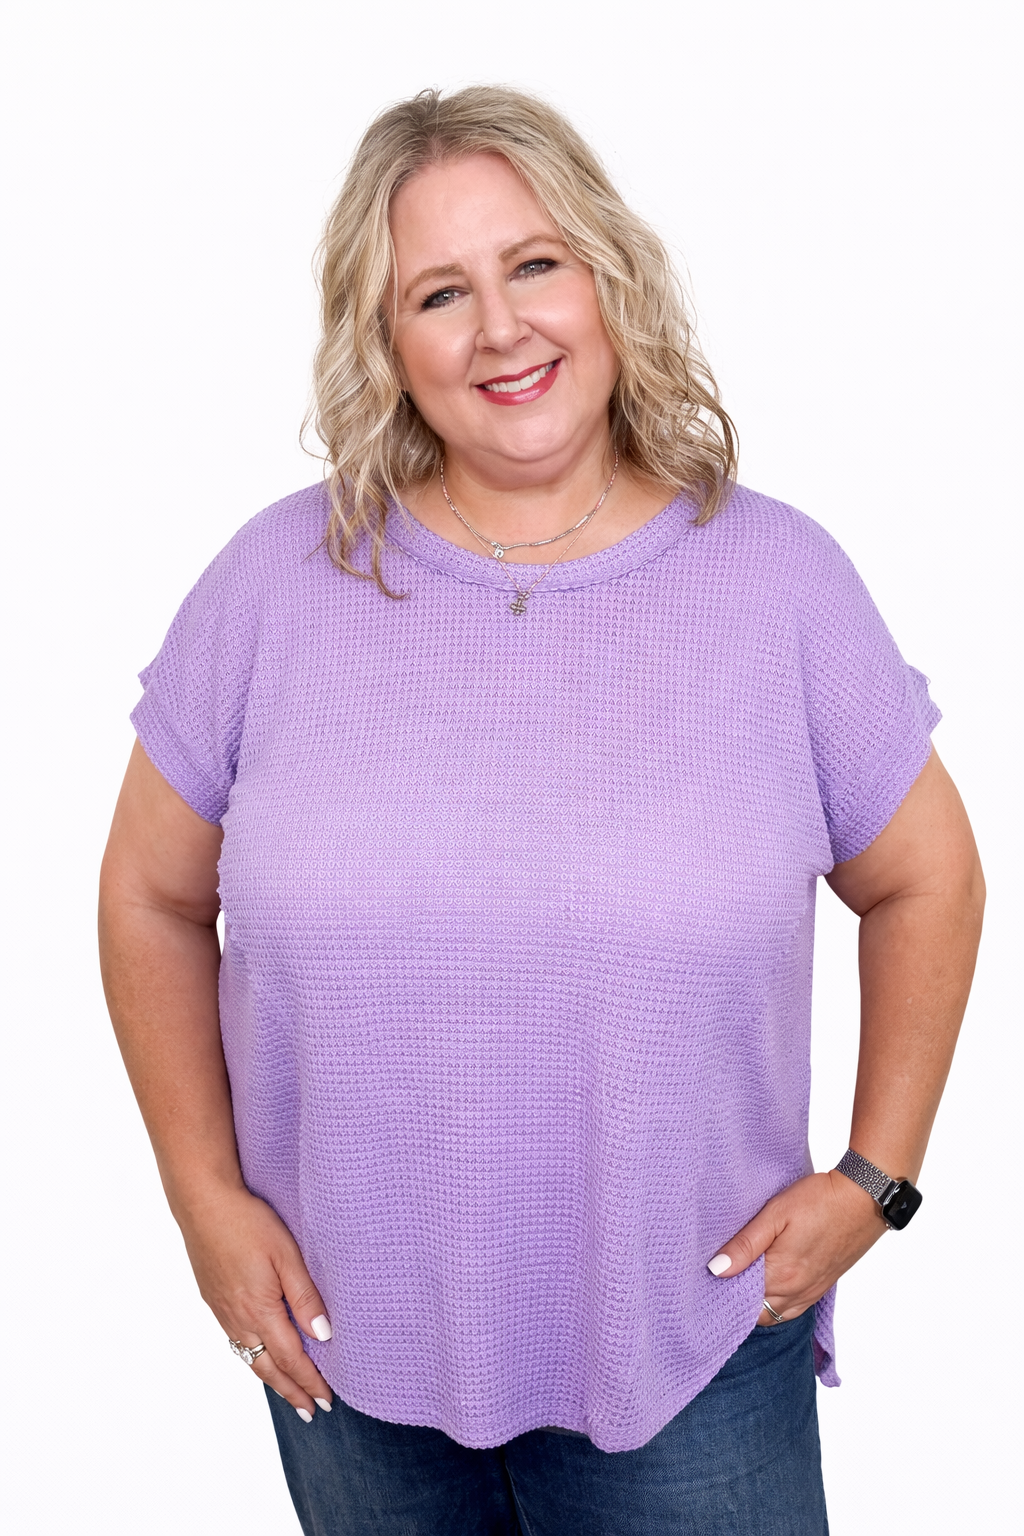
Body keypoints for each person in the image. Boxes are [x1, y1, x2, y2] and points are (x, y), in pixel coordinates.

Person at [98, 86, 984, 1535]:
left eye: (534, 264)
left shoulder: (779, 586)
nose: (500, 328)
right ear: (385, 343)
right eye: (439, 292)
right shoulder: (272, 586)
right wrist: (206, 1201)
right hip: (346, 1360)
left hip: (692, 1349)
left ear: (608, 277)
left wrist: (876, 1181)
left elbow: (928, 876)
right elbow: (145, 893)